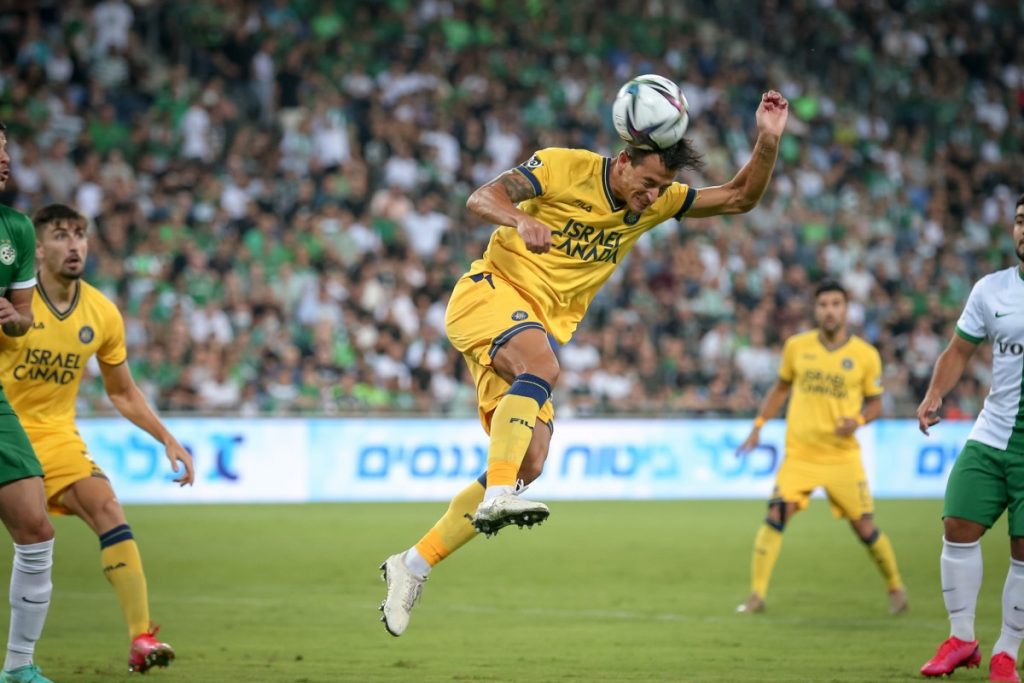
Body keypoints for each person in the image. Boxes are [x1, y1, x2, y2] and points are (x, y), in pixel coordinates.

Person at [378, 88, 790, 636]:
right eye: (647, 182)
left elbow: (740, 197)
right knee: (543, 370)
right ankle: (496, 496)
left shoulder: (657, 202)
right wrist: (518, 220)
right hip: (488, 292)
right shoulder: (562, 167)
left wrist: (767, 140)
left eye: (661, 187)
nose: (652, 196)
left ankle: (413, 564)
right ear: (623, 161)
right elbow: (482, 197)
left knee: (530, 463)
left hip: (529, 325)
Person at [0, 204, 195, 674]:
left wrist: (166, 437)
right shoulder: (14, 301)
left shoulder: (102, 312)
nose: (74, 245)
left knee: (107, 507)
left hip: (56, 437)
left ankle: (141, 637)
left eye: (80, 235)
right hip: (7, 428)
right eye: (61, 235)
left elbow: (122, 392)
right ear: (36, 248)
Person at [734, 280, 907, 615]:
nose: (830, 310)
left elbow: (875, 404)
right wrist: (758, 426)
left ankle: (896, 587)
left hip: (842, 456)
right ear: (815, 309)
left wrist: (858, 420)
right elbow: (780, 389)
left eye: (836, 304)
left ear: (846, 309)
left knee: (864, 527)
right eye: (824, 304)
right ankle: (756, 595)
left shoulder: (865, 355)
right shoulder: (796, 347)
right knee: (776, 514)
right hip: (800, 454)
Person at [918, 193, 1024, 683]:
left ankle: (1006, 652)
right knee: (957, 524)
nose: (1023, 229)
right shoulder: (991, 289)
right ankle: (961, 638)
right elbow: (959, 350)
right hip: (992, 433)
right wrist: (935, 393)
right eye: (1019, 221)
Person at [0, 122, 56, 683]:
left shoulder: (14, 228)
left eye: (5, 150)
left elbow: (23, 321)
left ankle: (18, 668)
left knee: (36, 527)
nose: (5, 160)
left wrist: (13, 319)